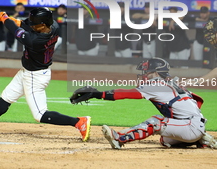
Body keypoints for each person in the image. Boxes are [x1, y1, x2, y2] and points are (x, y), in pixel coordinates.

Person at [0, 7, 91, 142]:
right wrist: (14, 20)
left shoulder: (36, 40)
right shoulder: (53, 26)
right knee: (6, 97)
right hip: (27, 72)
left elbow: (18, 33)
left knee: (40, 115)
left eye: (35, 24)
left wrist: (5, 20)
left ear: (42, 25)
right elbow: (25, 25)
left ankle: (78, 122)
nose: (32, 25)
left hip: (35, 76)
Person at [71, 57, 216, 149]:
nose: (144, 75)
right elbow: (196, 102)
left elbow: (127, 94)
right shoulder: (170, 84)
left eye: (147, 72)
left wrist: (98, 94)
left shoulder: (157, 84)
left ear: (157, 73)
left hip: (190, 126)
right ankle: (201, 139)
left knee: (156, 122)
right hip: (192, 124)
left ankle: (119, 139)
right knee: (165, 139)